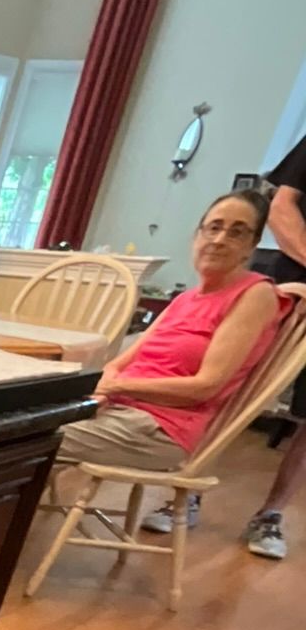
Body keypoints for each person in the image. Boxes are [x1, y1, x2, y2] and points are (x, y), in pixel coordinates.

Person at [54, 190, 284, 529]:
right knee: (18, 420)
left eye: (237, 232)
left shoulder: (255, 294)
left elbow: (205, 386)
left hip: (161, 428)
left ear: (252, 246)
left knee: (29, 437)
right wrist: (104, 389)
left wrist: (116, 385)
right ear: (197, 236)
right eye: (213, 227)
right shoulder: (186, 299)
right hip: (121, 411)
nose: (220, 239)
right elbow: (121, 361)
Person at [233, 135, 306, 556]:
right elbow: (281, 206)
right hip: (295, 287)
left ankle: (270, 516)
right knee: (238, 386)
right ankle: (184, 495)